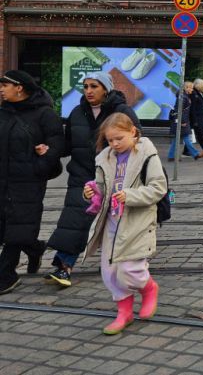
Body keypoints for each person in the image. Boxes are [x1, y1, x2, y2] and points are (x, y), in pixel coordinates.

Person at [47, 71, 140, 288]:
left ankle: (128, 267)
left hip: (115, 177)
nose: (88, 91)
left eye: (94, 86)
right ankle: (64, 266)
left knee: (119, 223)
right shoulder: (77, 113)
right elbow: (68, 144)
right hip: (81, 175)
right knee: (74, 220)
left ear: (105, 89)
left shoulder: (122, 112)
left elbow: (138, 141)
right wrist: (49, 149)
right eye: (86, 86)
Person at [83, 113, 166, 335]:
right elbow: (102, 186)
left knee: (131, 268)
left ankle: (148, 288)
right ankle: (124, 313)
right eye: (110, 140)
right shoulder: (105, 158)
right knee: (110, 271)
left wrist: (130, 196)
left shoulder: (147, 154)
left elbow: (158, 188)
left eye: (119, 138)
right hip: (111, 220)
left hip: (137, 220)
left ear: (133, 132)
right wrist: (92, 191)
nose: (114, 144)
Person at [0, 71, 65, 295]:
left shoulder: (44, 114)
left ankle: (6, 275)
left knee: (18, 226)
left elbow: (57, 145)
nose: (1, 89)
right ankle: (35, 248)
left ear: (19, 88)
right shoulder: (3, 112)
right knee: (6, 227)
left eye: (5, 85)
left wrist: (41, 163)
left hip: (28, 181)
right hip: (3, 180)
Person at [167, 82, 202, 161]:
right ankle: (195, 154)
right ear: (186, 88)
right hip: (182, 122)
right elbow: (179, 110)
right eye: (191, 88)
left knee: (176, 140)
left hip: (181, 121)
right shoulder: (183, 97)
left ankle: (171, 156)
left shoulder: (183, 96)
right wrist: (182, 121)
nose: (192, 90)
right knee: (186, 139)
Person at [190, 79, 203, 156]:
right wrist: (194, 120)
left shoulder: (198, 93)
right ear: (200, 85)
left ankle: (186, 151)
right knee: (199, 134)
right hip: (197, 118)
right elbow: (193, 108)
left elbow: (201, 107)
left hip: (200, 118)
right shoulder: (194, 94)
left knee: (198, 134)